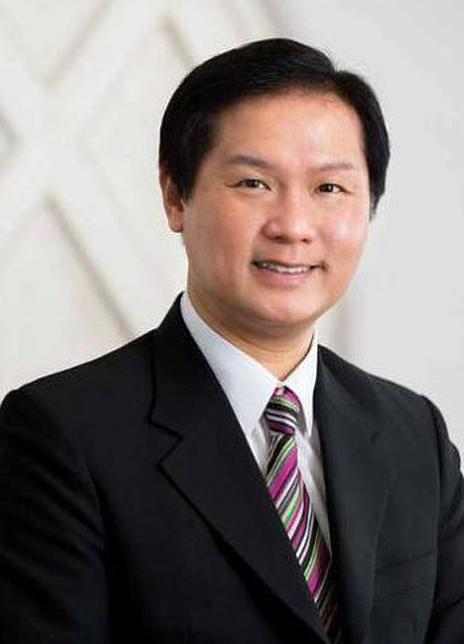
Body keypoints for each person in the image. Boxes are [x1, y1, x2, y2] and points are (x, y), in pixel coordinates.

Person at [0, 38, 463, 644]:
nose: (293, 227)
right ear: (175, 196)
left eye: (329, 188)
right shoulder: (62, 436)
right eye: (253, 182)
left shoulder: (414, 436)